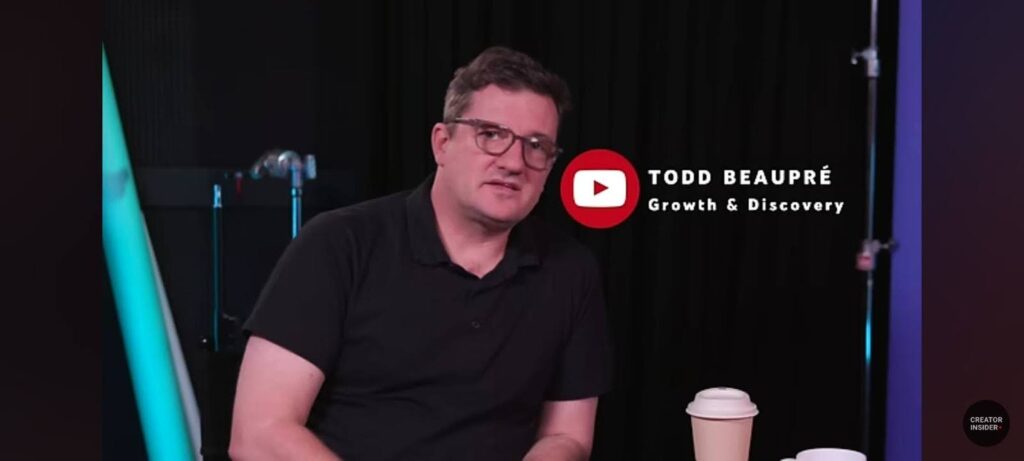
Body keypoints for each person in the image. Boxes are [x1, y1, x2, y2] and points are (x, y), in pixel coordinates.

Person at [229, 46, 611, 461]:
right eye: (491, 135)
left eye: (536, 145)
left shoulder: (570, 270)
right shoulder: (339, 244)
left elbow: (568, 436)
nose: (515, 162)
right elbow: (259, 434)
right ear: (442, 143)